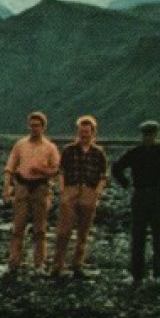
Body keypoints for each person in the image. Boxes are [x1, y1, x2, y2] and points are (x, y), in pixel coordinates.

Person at [112, 120, 160, 285]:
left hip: (158, 195)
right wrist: (126, 184)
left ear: (156, 135)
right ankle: (137, 275)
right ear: (142, 136)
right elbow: (116, 168)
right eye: (146, 135)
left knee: (158, 237)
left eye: (151, 134)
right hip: (140, 195)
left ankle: (159, 275)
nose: (148, 138)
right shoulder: (135, 153)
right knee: (137, 237)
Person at [50, 114, 110, 278]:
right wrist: (62, 190)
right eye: (82, 132)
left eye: (87, 132)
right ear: (78, 132)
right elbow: (61, 171)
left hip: (89, 191)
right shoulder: (69, 150)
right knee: (64, 231)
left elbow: (103, 175)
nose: (84, 135)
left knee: (83, 231)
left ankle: (77, 264)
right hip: (71, 190)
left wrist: (97, 192)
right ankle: (57, 265)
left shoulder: (99, 153)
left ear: (93, 133)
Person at [3, 111, 61, 273]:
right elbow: (10, 167)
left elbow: (57, 169)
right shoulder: (21, 144)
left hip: (41, 188)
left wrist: (42, 170)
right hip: (22, 186)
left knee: (40, 228)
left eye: (38, 125)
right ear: (28, 126)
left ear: (43, 127)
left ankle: (39, 264)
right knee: (18, 227)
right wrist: (7, 187)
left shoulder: (50, 147)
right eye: (32, 125)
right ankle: (13, 262)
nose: (34, 128)